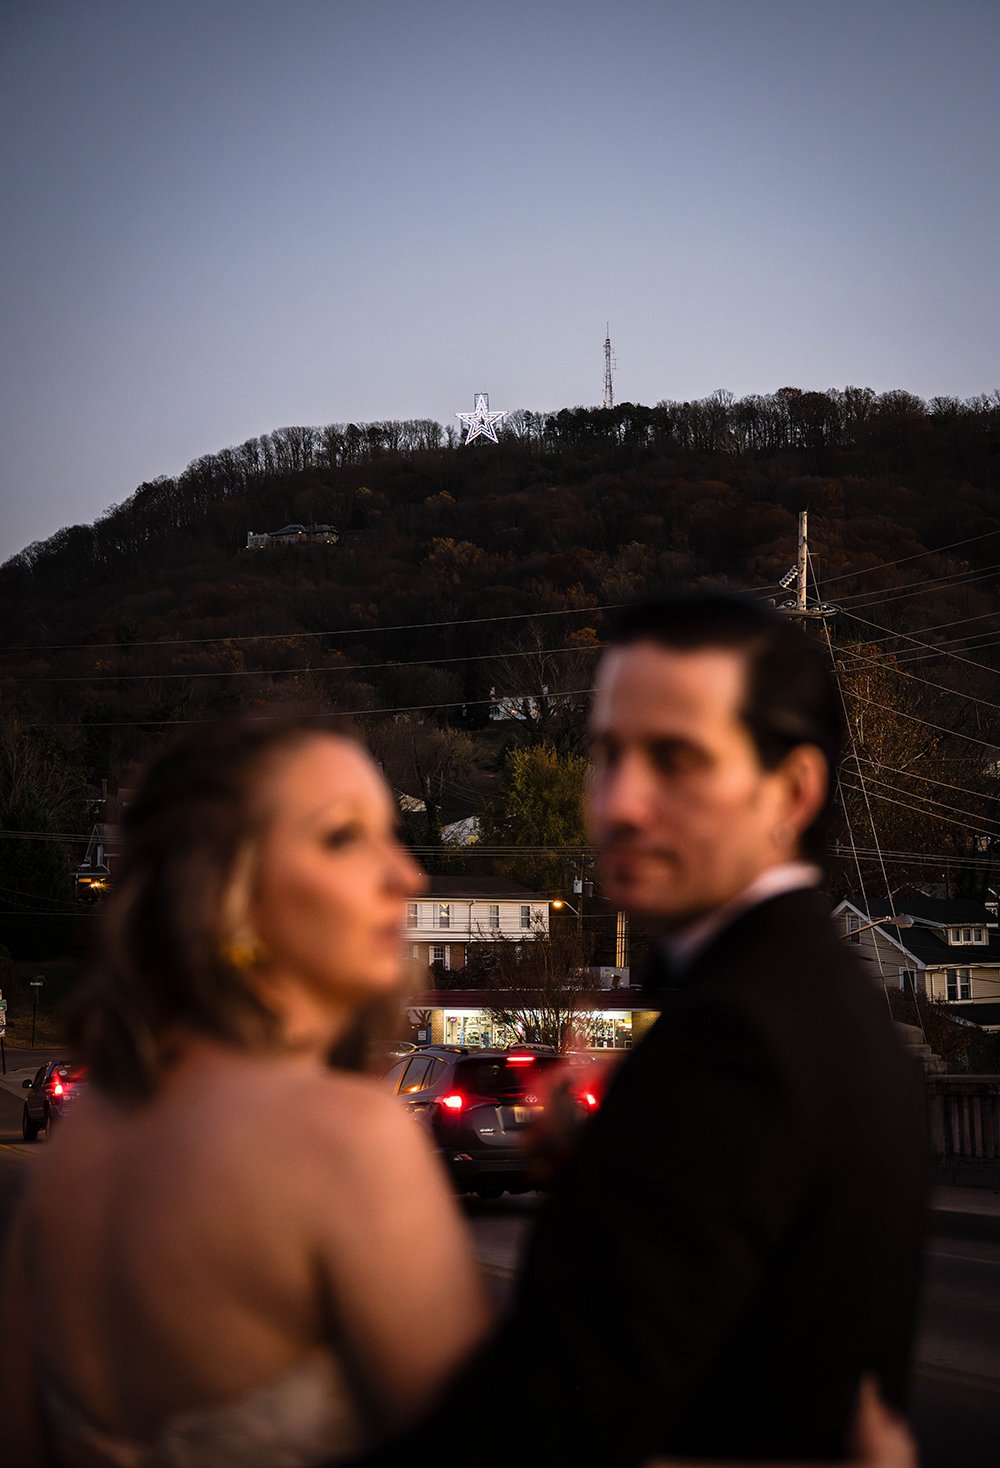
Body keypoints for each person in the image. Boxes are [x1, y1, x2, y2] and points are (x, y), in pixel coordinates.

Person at [349, 590, 928, 1467]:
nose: (620, 802)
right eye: (607, 754)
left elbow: (547, 1426)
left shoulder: (734, 1045)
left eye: (676, 759)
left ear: (794, 790)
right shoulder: (814, 1000)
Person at [0, 715, 493, 1466]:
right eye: (342, 838)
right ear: (231, 896)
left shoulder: (80, 1145)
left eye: (390, 834)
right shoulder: (344, 1139)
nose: (407, 875)